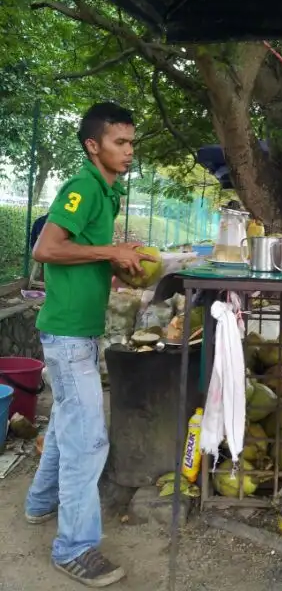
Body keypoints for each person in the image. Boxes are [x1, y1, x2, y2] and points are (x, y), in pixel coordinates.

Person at [25, 102, 154, 588]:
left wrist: (117, 264)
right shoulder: (82, 187)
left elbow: (80, 254)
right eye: (120, 143)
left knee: (65, 419)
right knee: (88, 437)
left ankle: (39, 504)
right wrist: (111, 251)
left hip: (76, 330)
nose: (129, 151)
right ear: (92, 146)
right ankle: (74, 548)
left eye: (132, 143)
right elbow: (46, 248)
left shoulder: (107, 192)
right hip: (66, 333)